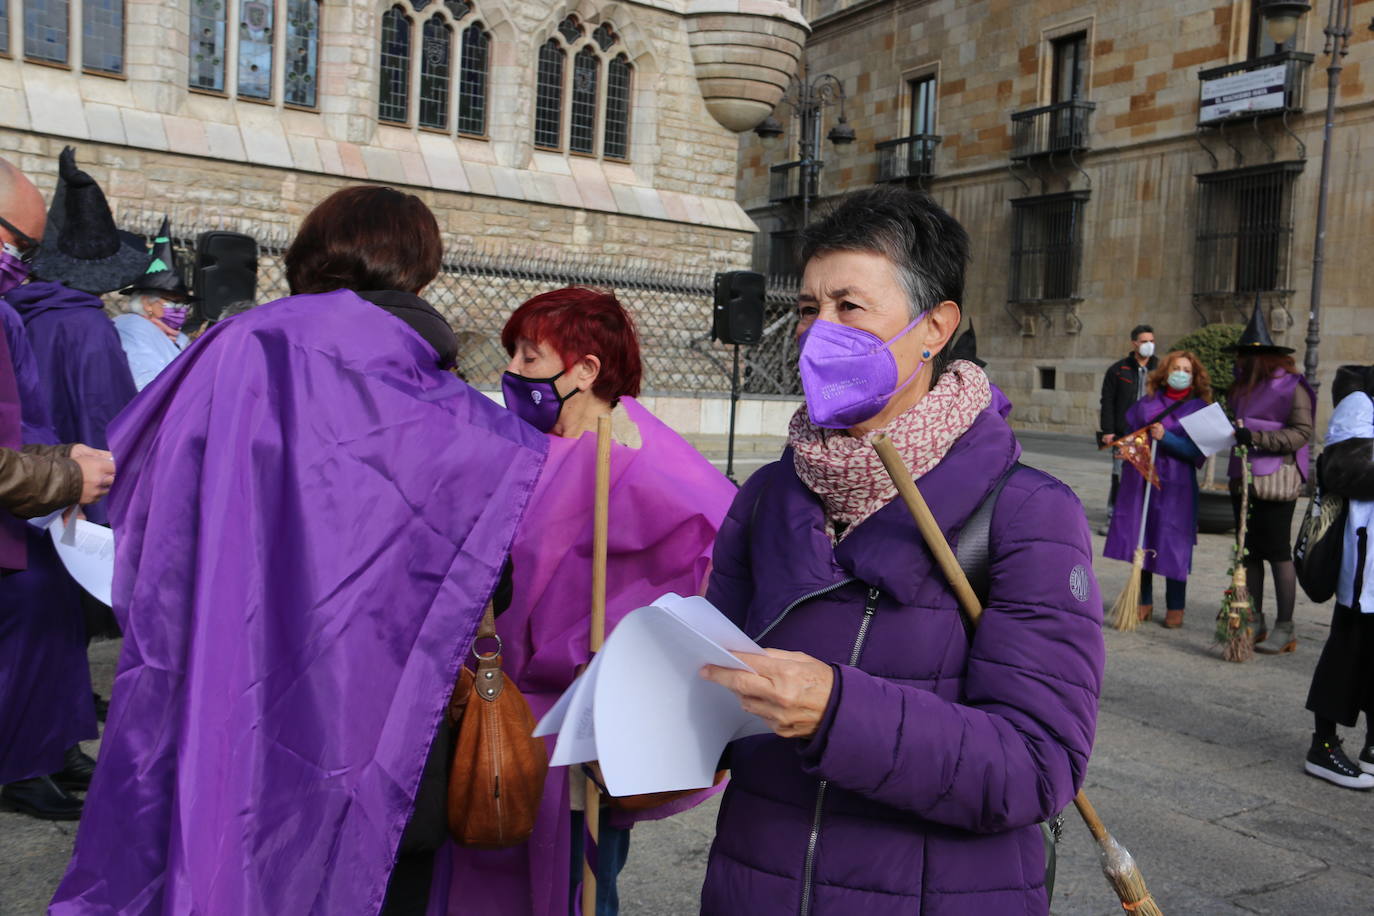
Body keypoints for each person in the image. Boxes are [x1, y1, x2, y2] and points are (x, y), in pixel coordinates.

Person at [49, 186, 549, 915]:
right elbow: (486, 582)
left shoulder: (238, 346)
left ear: (312, 255)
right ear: (421, 269)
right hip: (386, 724)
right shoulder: (464, 423)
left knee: (220, 851)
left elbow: (145, 498)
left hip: (228, 684)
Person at [698, 187, 1104, 914]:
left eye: (848, 308)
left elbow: (1039, 765)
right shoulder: (768, 495)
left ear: (934, 328)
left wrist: (836, 709)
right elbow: (717, 697)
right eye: (807, 309)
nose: (816, 334)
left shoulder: (1029, 513)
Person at [438, 287, 737, 916]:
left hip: (587, 739)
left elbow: (706, 570)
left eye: (528, 356)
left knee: (584, 891)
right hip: (494, 724)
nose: (511, 372)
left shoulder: (642, 461)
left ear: (585, 370)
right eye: (513, 355)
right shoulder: (515, 448)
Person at [0, 156, 117, 823]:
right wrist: (67, 473)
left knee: (50, 604)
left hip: (29, 505)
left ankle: (44, 745)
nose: (19, 260)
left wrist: (63, 459)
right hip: (24, 505)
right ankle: (25, 758)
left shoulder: (11, 316)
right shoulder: (77, 324)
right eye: (15, 243)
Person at [8, 147, 140, 530]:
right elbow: (107, 421)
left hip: (32, 486)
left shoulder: (17, 311)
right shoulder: (89, 327)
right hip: (68, 498)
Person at [1227, 302, 1314, 655]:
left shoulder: (1292, 387)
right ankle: (1256, 618)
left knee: (1277, 552)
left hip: (1276, 479)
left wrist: (1259, 438)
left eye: (1246, 357)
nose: (1240, 363)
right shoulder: (1238, 388)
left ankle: (1286, 625)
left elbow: (1303, 432)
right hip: (1242, 477)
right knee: (1249, 553)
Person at [1301, 368, 1374, 790]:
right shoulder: (1361, 398)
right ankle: (1323, 747)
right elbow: (1342, 469)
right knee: (1346, 656)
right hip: (1365, 568)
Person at [1104, 351, 1212, 628]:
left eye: (1186, 370)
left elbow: (1196, 452)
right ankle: (1143, 601)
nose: (1180, 373)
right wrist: (1125, 450)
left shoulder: (1199, 408)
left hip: (1177, 485)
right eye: (1176, 368)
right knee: (1145, 536)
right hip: (1144, 479)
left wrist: (1167, 439)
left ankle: (1176, 606)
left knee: (1174, 542)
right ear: (1165, 372)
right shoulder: (1146, 404)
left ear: (1194, 375)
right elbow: (1133, 435)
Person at [115, 216, 193, 390]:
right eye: (173, 301)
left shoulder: (180, 338)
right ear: (147, 303)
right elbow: (147, 383)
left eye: (184, 302)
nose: (181, 308)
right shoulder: (132, 329)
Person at [1099, 325, 1158, 534]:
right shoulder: (1118, 370)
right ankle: (1112, 517)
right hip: (1124, 433)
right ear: (1134, 343)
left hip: (1151, 435)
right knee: (1119, 476)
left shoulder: (1160, 369)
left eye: (1151, 340)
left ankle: (1143, 520)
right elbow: (1107, 401)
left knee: (1149, 476)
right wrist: (1107, 430)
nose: (1149, 345)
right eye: (1144, 341)